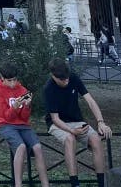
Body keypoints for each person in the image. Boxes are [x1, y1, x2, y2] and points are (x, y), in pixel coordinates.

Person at [43, 57, 112, 187]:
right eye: (62, 79)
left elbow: (90, 100)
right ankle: (75, 184)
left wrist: (101, 122)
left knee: (96, 140)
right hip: (57, 123)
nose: (66, 81)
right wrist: (72, 131)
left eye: (67, 78)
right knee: (70, 139)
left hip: (76, 120)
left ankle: (102, 183)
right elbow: (55, 119)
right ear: (53, 76)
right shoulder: (48, 89)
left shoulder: (73, 77)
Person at [0, 62, 50, 187]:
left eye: (15, 80)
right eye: (9, 80)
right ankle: (18, 184)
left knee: (38, 148)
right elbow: (6, 116)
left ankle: (46, 184)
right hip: (5, 124)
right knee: (21, 147)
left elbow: (24, 117)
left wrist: (27, 106)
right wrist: (14, 107)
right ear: (2, 78)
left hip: (23, 125)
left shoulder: (22, 90)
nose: (13, 83)